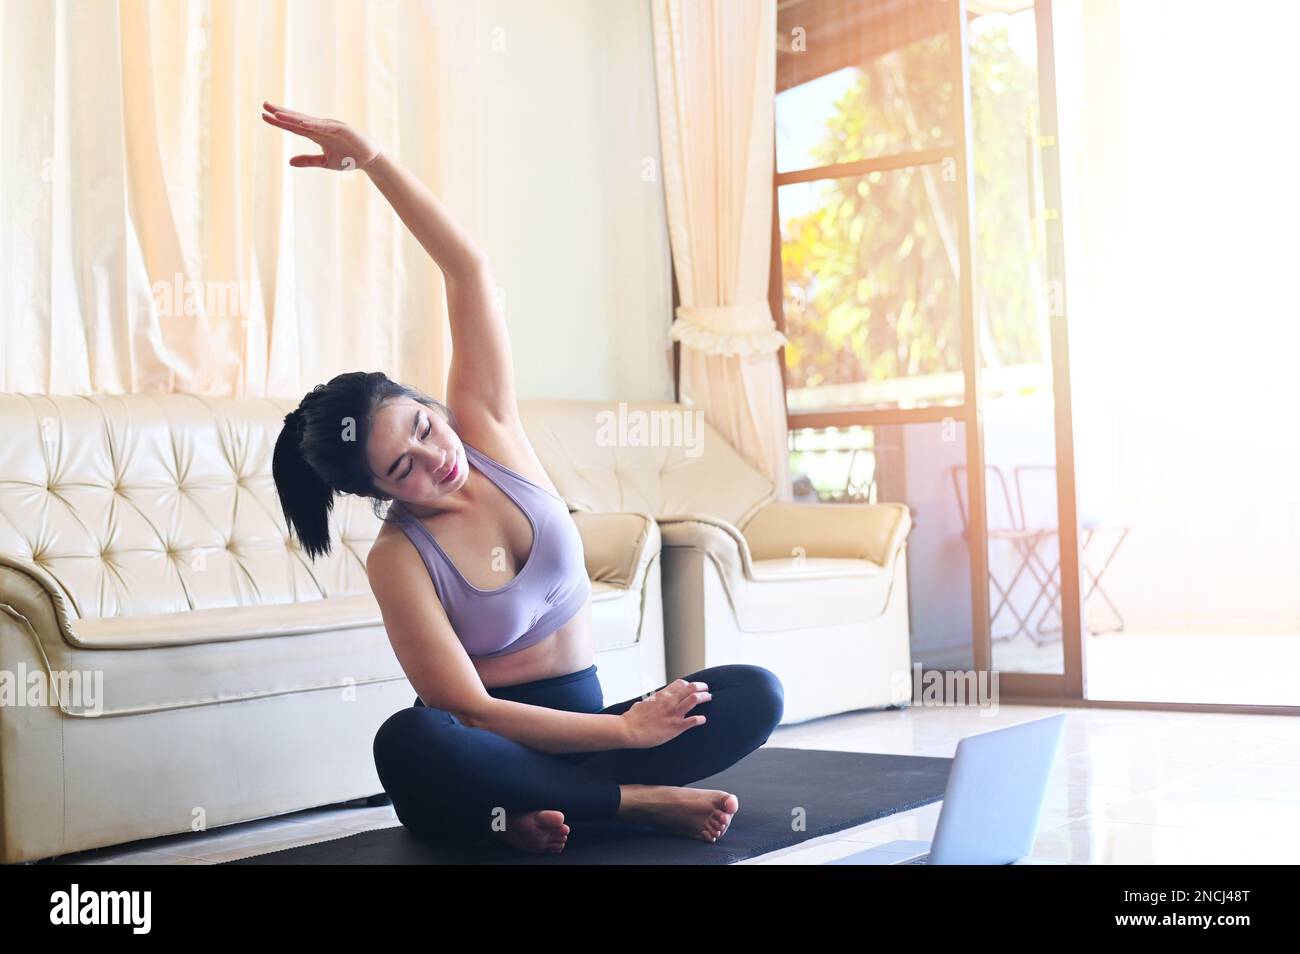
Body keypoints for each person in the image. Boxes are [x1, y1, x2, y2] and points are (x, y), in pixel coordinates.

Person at [263, 102, 784, 855]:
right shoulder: (398, 559)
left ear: (429, 404)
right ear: (380, 493)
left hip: (592, 738)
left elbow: (467, 269)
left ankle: (548, 808)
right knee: (412, 742)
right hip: (493, 745)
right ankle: (631, 805)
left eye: (422, 424)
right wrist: (628, 734)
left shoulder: (489, 430)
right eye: (402, 467)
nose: (435, 454)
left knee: (753, 693)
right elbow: (469, 712)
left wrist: (375, 160)